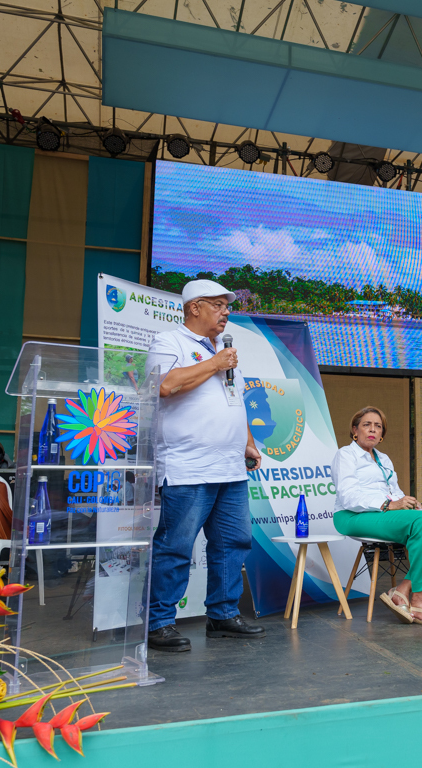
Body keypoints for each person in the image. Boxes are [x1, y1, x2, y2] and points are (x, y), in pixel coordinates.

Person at [145, 279, 265, 652]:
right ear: (194, 307)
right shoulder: (170, 342)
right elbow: (163, 386)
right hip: (187, 467)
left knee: (233, 542)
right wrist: (214, 363)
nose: (226, 311)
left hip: (230, 467)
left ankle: (223, 614)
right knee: (176, 547)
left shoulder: (224, 352)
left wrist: (247, 441)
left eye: (227, 306)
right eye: (217, 305)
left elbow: (235, 400)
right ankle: (159, 622)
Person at [331, 407, 422, 626]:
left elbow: (394, 492)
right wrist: (389, 504)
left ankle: (403, 589)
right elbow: (348, 496)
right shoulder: (345, 454)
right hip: (352, 515)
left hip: (384, 512)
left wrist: (409, 504)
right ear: (355, 430)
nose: (372, 430)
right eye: (366, 425)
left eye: (378, 426)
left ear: (382, 434)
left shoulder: (383, 458)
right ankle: (419, 599)